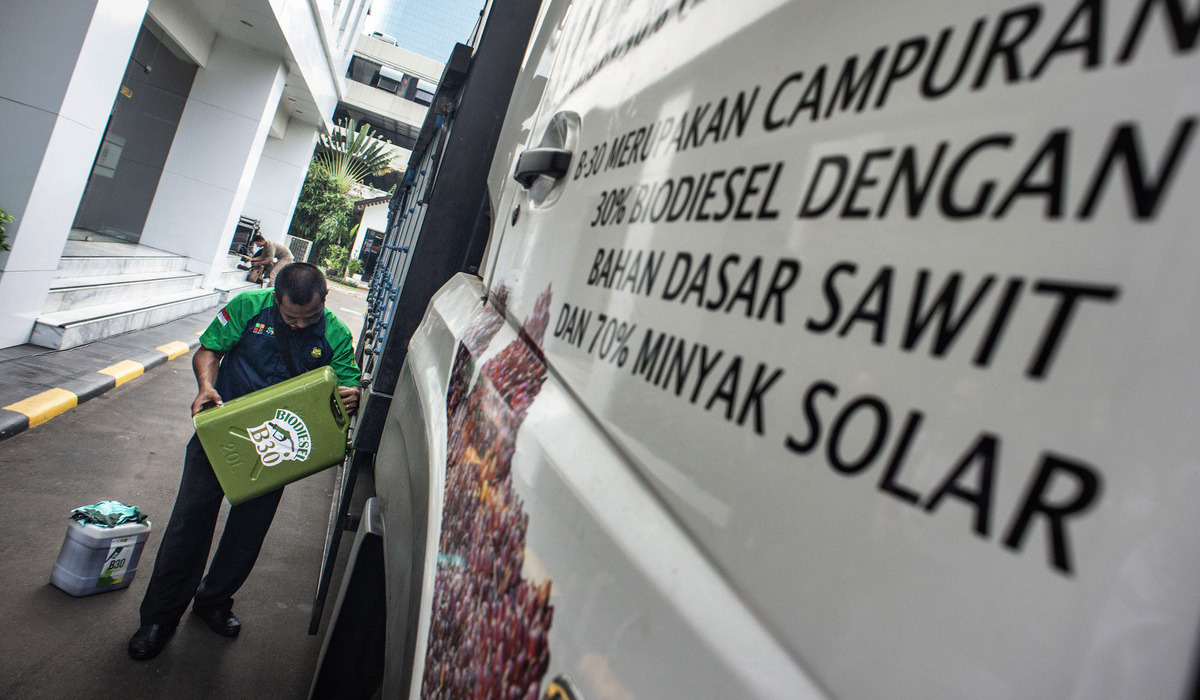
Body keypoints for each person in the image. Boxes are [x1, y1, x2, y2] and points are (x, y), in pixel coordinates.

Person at [128, 263, 362, 661]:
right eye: (291, 317)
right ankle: (159, 619)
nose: (302, 325)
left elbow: (347, 384)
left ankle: (213, 601)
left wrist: (350, 396)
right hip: (224, 433)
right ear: (275, 300)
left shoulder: (337, 335)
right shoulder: (248, 307)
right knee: (190, 521)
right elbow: (210, 350)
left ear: (326, 297)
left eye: (311, 316)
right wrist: (206, 387)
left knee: (248, 531)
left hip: (279, 446)